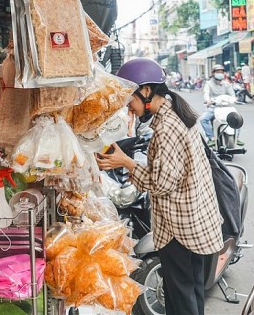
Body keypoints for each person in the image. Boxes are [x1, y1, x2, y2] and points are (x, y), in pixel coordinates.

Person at [94, 58, 223, 315]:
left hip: (180, 229)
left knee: (180, 298)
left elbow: (162, 183)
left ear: (145, 91)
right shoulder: (177, 112)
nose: (130, 110)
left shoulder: (167, 127)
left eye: (130, 101)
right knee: (192, 290)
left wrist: (127, 163)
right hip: (195, 222)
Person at [200, 64, 242, 146]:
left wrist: (234, 99)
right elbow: (206, 93)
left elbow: (232, 95)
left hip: (226, 107)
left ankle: (237, 137)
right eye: (217, 72)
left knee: (238, 118)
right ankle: (211, 137)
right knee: (203, 119)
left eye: (221, 72)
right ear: (213, 73)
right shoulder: (208, 84)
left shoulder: (227, 84)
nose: (220, 74)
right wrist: (207, 100)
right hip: (214, 107)